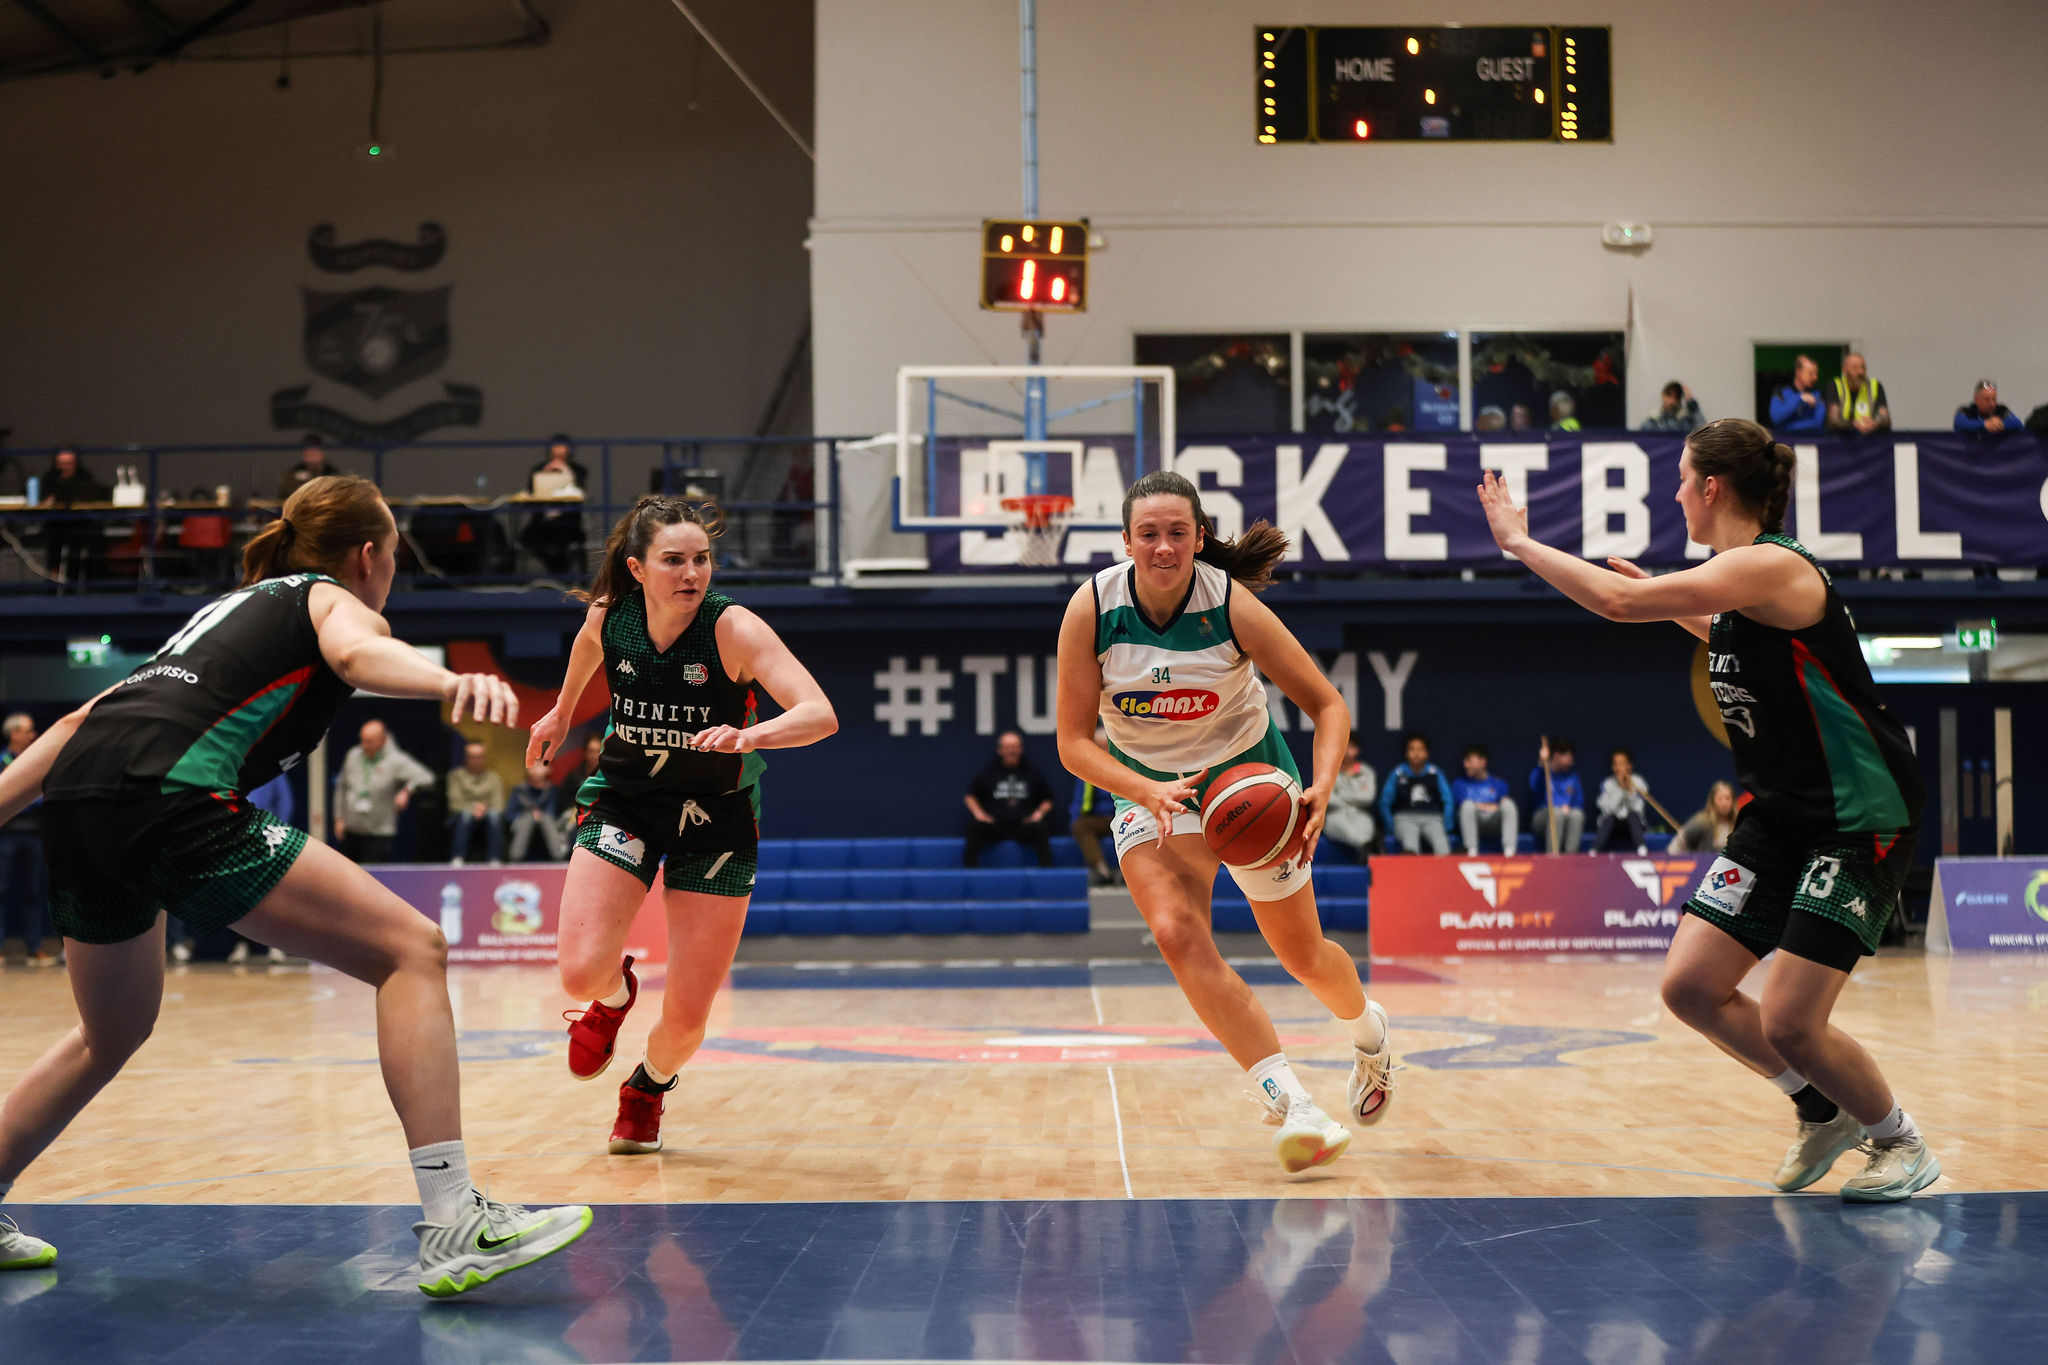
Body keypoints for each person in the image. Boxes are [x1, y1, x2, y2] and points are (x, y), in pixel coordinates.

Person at [0, 474, 591, 1290]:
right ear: (368, 554)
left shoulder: (223, 615)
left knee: (111, 1032)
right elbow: (356, 652)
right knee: (411, 950)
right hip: (174, 795)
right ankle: (457, 1217)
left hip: (80, 803)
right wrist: (445, 680)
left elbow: (78, 722)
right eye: (395, 557)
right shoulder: (328, 595)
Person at [1479, 417, 1938, 1201]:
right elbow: (1723, 630)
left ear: (1713, 487)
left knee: (1791, 1020)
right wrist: (1667, 603)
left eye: (1682, 479)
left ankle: (1900, 1140)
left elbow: (1618, 602)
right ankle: (1819, 1106)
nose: (1676, 493)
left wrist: (1521, 543)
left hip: (1858, 815)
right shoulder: (1742, 587)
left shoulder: (1773, 565)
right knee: (1691, 986)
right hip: (1782, 815)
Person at [1054, 470, 1395, 1174]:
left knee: (1303, 957)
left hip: (1248, 785)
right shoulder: (1092, 607)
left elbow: (1328, 705)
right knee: (1176, 933)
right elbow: (1073, 744)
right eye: (1148, 533)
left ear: (1200, 537)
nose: (1164, 546)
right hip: (1150, 788)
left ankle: (1370, 1032)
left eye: (1178, 532)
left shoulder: (1231, 604)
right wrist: (1143, 790)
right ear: (1126, 541)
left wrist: (1322, 785)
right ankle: (1294, 1104)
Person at [529, 495, 837, 1158]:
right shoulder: (612, 616)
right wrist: (561, 712)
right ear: (638, 569)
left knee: (688, 1022)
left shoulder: (733, 628)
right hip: (627, 800)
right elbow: (586, 650)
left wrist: (751, 735)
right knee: (580, 974)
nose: (692, 572)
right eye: (674, 560)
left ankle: (649, 1084)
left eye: (702, 558)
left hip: (716, 818)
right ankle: (614, 997)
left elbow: (820, 713)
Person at [333, 719, 435, 863]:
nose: (364, 745)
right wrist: (338, 818)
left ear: (382, 740)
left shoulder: (396, 760)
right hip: (351, 832)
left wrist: (407, 790)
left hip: (379, 835)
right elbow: (341, 787)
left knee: (371, 875)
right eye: (362, 740)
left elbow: (427, 777)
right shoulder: (353, 755)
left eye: (369, 742)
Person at [0, 715, 54, 966]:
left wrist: (20, 798)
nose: (32, 736)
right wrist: (25, 798)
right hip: (5, 835)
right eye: (27, 731)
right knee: (1, 890)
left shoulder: (36, 761)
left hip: (34, 835)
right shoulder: (2, 760)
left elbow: (44, 793)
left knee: (33, 891)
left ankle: (35, 948)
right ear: (13, 734)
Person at [964, 732, 1056, 868]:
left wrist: (1038, 814)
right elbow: (970, 796)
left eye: (1015, 747)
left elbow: (1048, 799)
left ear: (1021, 749)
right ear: (999, 750)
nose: (1011, 751)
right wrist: (979, 814)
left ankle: (1047, 872)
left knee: (1040, 828)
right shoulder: (988, 773)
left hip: (1024, 825)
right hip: (995, 825)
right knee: (975, 828)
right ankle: (970, 872)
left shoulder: (1033, 772)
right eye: (1007, 747)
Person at [519, 434, 591, 575]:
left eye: (562, 446)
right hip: (542, 521)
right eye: (556, 445)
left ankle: (560, 573)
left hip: (567, 521)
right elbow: (530, 493)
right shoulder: (538, 469)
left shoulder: (578, 470)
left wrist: (565, 471)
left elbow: (580, 491)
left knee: (562, 540)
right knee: (526, 539)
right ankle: (558, 571)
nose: (559, 449)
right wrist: (546, 474)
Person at [38, 446, 110, 585]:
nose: (64, 467)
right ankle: (53, 583)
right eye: (61, 463)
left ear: (76, 463)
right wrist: (50, 500)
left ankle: (92, 581)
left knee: (94, 536)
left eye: (69, 463)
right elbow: (42, 501)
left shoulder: (84, 476)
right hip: (56, 522)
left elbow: (93, 496)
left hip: (79, 521)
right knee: (53, 542)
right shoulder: (50, 478)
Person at [1378, 733, 1452, 855]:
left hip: (1432, 818)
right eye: (1412, 749)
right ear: (1406, 753)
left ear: (1426, 753)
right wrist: (1391, 827)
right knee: (1410, 848)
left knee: (1443, 849)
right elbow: (1384, 802)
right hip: (1404, 818)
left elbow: (1448, 800)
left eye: (1420, 749)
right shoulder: (1398, 773)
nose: (1416, 753)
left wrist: (1447, 825)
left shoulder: (1435, 773)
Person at [1069, 728, 1118, 886]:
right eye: (1099, 746)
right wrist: (1076, 819)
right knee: (1080, 826)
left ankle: (1129, 873)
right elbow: (1079, 800)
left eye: (1106, 746)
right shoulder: (1086, 770)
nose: (1103, 750)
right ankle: (1102, 870)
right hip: (1100, 820)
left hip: (1122, 816)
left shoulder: (1125, 766)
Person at [445, 740, 506, 865]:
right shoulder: (455, 776)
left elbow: (499, 804)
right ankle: (457, 858)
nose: (476, 760)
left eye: (479, 757)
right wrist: (473, 807)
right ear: (465, 758)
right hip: (460, 815)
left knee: (494, 816)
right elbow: (454, 803)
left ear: (484, 758)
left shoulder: (494, 777)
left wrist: (484, 809)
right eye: (472, 757)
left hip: (488, 813)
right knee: (465, 816)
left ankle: (494, 859)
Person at [1453, 744, 1519, 854]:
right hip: (1475, 823)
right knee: (1467, 806)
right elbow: (1464, 807)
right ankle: (1471, 850)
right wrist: (1490, 806)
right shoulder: (1460, 784)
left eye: (1469, 761)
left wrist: (1480, 806)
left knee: (1509, 804)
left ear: (1483, 762)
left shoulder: (1498, 783)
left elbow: (1504, 803)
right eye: (1465, 761)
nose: (1465, 765)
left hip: (1494, 823)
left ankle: (1510, 850)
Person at [1319, 741, 1377, 859]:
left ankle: (1366, 850)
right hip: (1335, 814)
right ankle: (1366, 848)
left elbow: (1368, 798)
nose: (1346, 750)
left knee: (1365, 826)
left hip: (1360, 813)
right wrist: (1355, 797)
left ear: (1357, 750)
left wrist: (1342, 794)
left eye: (1350, 747)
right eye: (1343, 746)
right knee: (1346, 828)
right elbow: (1328, 798)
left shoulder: (1366, 771)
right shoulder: (1328, 770)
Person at [1529, 739, 1585, 853]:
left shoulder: (1572, 776)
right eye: (1568, 756)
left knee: (1577, 815)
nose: (1571, 760)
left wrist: (1569, 808)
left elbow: (1579, 802)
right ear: (1556, 756)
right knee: (1556, 813)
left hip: (1567, 816)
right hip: (1542, 818)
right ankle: (1553, 856)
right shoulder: (1542, 771)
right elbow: (1535, 790)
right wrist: (1542, 763)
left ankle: (1571, 857)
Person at [504, 762, 569, 862]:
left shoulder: (553, 790)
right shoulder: (519, 790)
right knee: (528, 819)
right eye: (533, 766)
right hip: (521, 825)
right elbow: (510, 815)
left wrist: (540, 816)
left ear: (548, 769)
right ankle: (515, 858)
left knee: (546, 819)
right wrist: (529, 815)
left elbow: (555, 813)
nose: (536, 770)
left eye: (540, 765)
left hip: (550, 824)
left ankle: (559, 856)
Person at [1593, 747, 1652, 853]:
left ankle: (1642, 849)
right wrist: (1622, 790)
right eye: (1616, 764)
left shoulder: (1638, 782)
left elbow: (1638, 809)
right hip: (1613, 825)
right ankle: (1594, 851)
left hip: (1633, 824)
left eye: (1622, 763)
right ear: (1613, 767)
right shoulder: (1607, 783)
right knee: (1609, 818)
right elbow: (1609, 809)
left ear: (1629, 766)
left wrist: (1628, 790)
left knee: (1633, 815)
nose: (1619, 767)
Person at [1671, 780, 1740, 855]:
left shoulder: (1739, 824)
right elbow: (1676, 844)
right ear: (1713, 801)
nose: (1724, 803)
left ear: (1733, 801)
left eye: (1727, 798)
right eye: (1720, 799)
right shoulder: (1701, 822)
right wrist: (1682, 860)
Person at [1825, 354, 1890, 435]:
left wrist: (1874, 423)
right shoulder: (1835, 386)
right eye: (1855, 368)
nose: (1860, 372)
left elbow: (1885, 418)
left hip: (1870, 439)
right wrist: (1853, 424)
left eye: (1863, 368)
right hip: (1842, 439)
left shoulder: (1875, 386)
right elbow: (1833, 420)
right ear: (1844, 370)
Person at [1767, 355, 1826, 434]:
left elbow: (1818, 424)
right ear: (1798, 372)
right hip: (1785, 440)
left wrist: (1785, 427)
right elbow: (1776, 418)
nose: (1815, 378)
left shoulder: (1817, 394)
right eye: (1811, 373)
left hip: (1810, 439)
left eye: (1816, 373)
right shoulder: (1781, 392)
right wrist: (1800, 398)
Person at [278, 434, 343, 500]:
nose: (311, 458)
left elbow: (339, 496)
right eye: (308, 454)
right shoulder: (293, 474)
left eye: (315, 453)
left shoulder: (333, 474)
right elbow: (284, 496)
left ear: (322, 453)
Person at [1954, 380, 2020, 433]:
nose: (1992, 404)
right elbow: (1959, 423)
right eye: (1987, 400)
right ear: (1976, 400)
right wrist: (1984, 425)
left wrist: (2001, 425)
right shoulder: (1966, 411)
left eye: (1994, 399)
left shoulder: (2002, 410)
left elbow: (2018, 424)